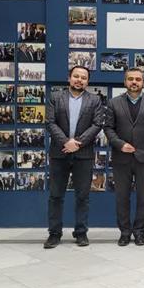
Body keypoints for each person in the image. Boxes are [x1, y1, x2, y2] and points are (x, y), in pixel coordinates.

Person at [44, 66, 103, 248]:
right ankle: (54, 234)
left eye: (83, 77)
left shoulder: (95, 100)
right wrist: (66, 142)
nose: (79, 80)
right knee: (55, 195)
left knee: (82, 196)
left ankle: (81, 233)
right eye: (76, 76)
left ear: (87, 81)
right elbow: (50, 122)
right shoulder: (55, 97)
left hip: (83, 154)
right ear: (69, 78)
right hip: (59, 153)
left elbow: (97, 124)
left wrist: (77, 143)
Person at [104, 67, 144, 247]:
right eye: (130, 79)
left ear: (143, 83)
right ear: (125, 82)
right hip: (121, 157)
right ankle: (124, 232)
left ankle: (139, 232)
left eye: (138, 79)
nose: (134, 82)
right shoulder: (113, 103)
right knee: (122, 198)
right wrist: (120, 144)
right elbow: (108, 128)